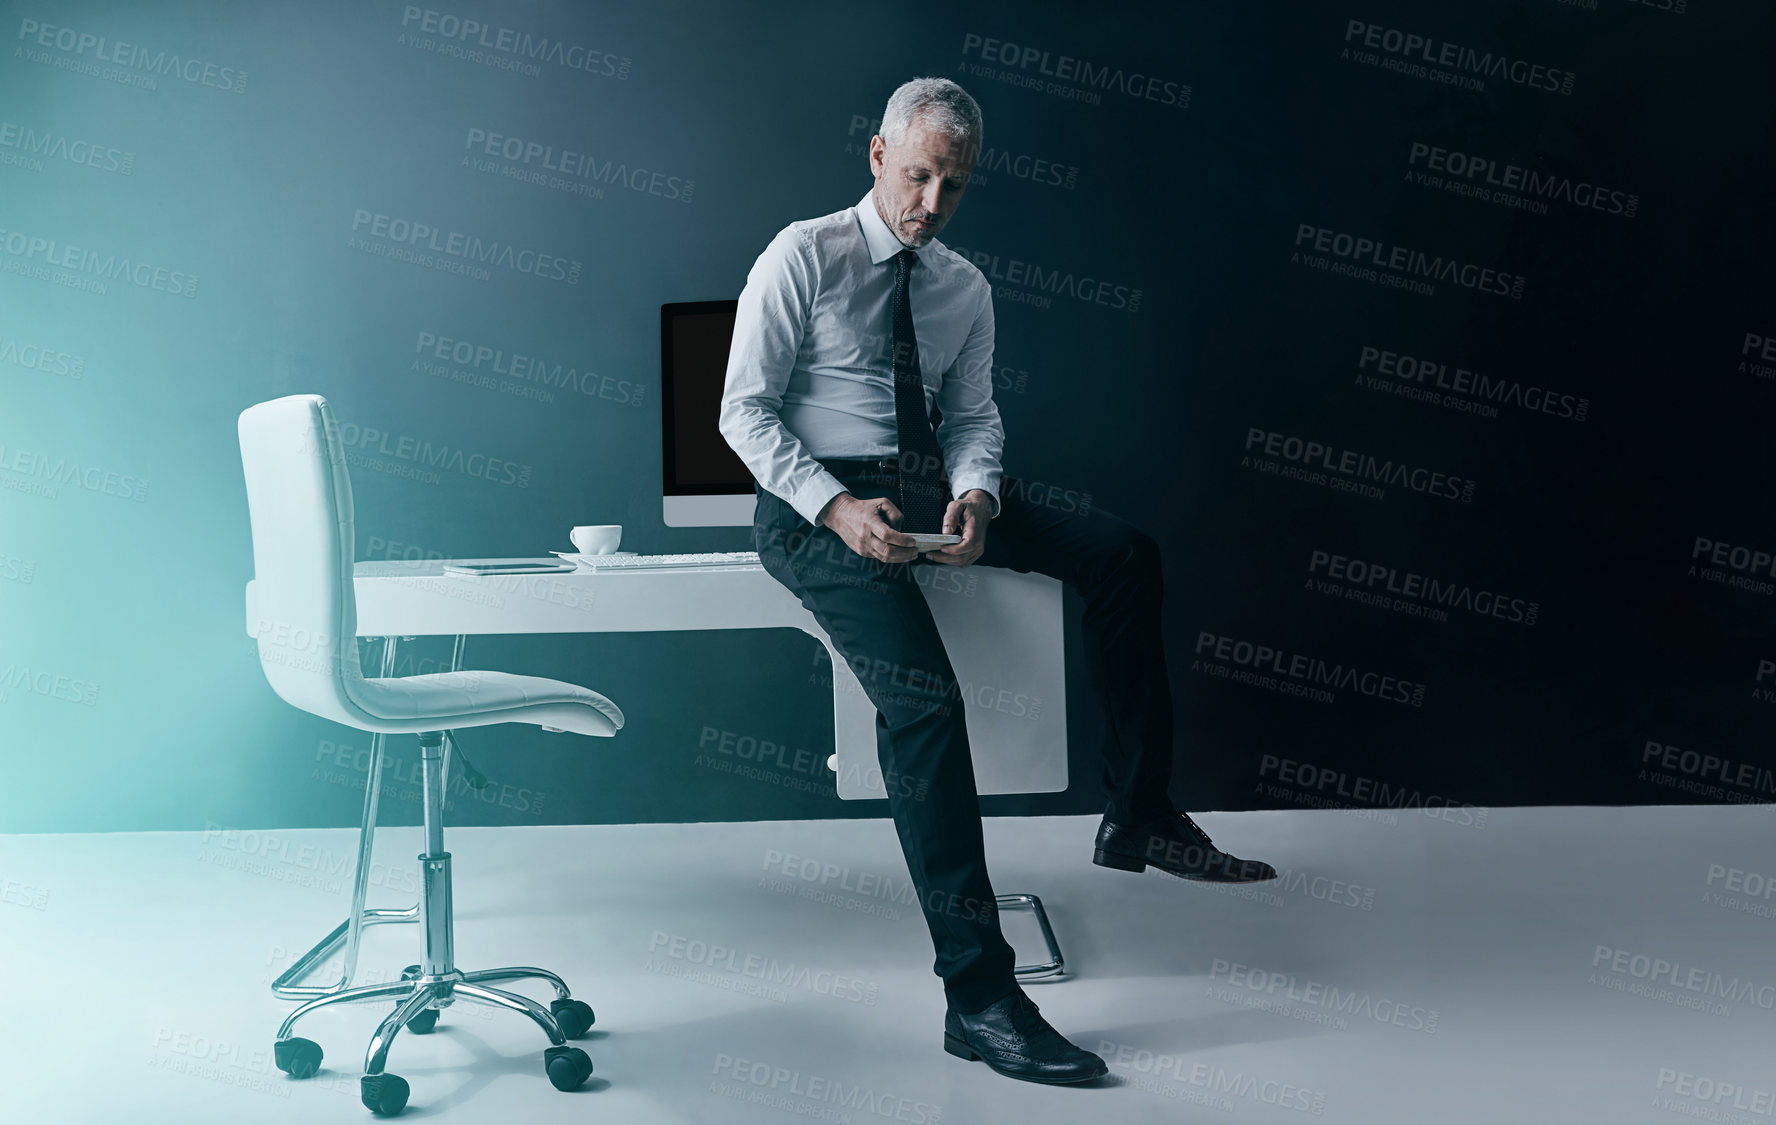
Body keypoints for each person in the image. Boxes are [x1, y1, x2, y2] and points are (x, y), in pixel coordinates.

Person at [718, 76, 1275, 1085]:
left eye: (955, 186)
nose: (932, 203)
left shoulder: (963, 287)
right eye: (920, 175)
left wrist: (975, 496)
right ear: (879, 156)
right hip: (818, 505)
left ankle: (1138, 812)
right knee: (926, 706)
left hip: (929, 486)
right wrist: (838, 510)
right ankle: (978, 995)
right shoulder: (803, 254)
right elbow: (744, 412)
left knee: (1124, 554)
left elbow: (972, 417)